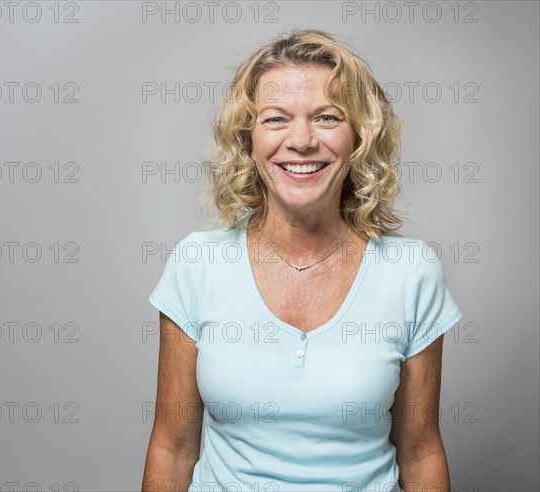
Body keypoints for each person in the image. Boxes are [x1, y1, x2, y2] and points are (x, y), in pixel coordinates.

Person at [142, 29, 461, 492]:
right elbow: (173, 447)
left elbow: (420, 451)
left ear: (359, 138)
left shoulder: (411, 272)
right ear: (248, 139)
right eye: (275, 119)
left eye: (327, 117)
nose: (301, 141)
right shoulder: (197, 264)